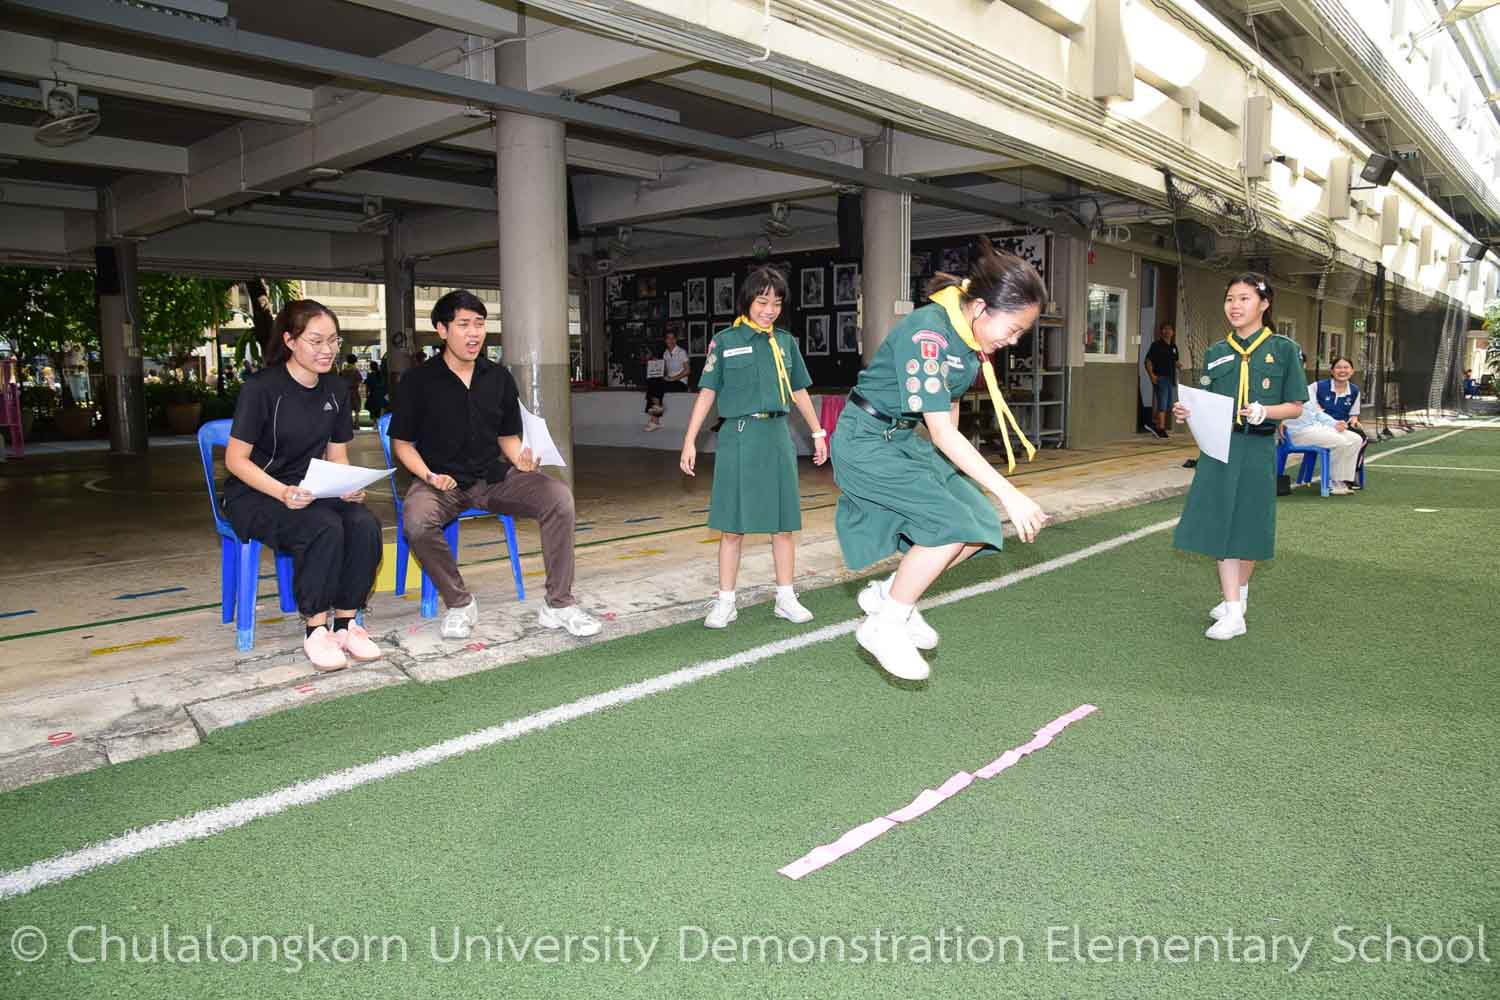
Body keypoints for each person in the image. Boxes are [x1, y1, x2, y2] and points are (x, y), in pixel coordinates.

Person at [831, 240, 1049, 681]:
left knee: (979, 522)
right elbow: (944, 431)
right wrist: (1010, 494)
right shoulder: (928, 335)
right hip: (866, 440)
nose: (1013, 341)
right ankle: (886, 624)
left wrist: (950, 478)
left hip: (903, 439)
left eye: (1021, 334)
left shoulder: (967, 338)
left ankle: (891, 595)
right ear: (981, 307)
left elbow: (947, 414)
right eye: (1013, 329)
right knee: (951, 523)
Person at [389, 289, 601, 641]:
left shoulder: (498, 377)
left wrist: (521, 458)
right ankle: (460, 603)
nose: (474, 333)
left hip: (492, 477)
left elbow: (507, 436)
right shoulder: (418, 381)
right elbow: (402, 444)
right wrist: (428, 475)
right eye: (463, 324)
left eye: (479, 324)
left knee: (558, 497)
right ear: (442, 330)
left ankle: (559, 604)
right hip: (440, 480)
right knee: (416, 521)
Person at [221, 300, 383, 672]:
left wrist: (347, 486)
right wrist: (281, 492)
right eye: (316, 341)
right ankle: (316, 628)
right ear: (290, 341)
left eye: (333, 340)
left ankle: (346, 624)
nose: (327, 350)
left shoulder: (336, 389)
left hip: (309, 489)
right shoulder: (261, 389)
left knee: (363, 523)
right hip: (256, 493)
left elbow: (337, 455)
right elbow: (235, 460)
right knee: (322, 526)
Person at [679, 266, 828, 629]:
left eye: (776, 303)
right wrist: (690, 440)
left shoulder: (786, 343)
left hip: (777, 436)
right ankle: (726, 602)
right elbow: (707, 393)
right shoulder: (725, 341)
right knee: (732, 526)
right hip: (739, 437)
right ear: (747, 301)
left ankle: (786, 597)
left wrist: (818, 433)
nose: (769, 310)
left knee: (783, 524)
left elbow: (799, 391)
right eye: (762, 301)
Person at [1172, 273, 1305, 641]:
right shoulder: (1216, 352)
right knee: (1223, 524)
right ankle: (1233, 612)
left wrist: (1267, 412)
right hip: (1219, 447)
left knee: (1249, 526)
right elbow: (1208, 401)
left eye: (1244, 298)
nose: (1235, 305)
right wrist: (1187, 411)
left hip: (1258, 448)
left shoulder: (1283, 350)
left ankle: (1238, 597)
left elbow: (1296, 406)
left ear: (1264, 304)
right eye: (1230, 298)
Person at [1302, 356, 1366, 490]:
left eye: (1346, 367)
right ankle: (1333, 479)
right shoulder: (1317, 386)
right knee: (1341, 441)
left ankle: (1350, 475)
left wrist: (1354, 421)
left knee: (1360, 438)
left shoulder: (1354, 390)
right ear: (1332, 371)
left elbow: (1354, 414)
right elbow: (1309, 405)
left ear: (1352, 371)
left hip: (1342, 426)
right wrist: (1316, 408)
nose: (1342, 371)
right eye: (1338, 367)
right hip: (1319, 426)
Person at [644, 331, 690, 432]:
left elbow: (687, 371)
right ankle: (656, 415)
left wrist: (673, 378)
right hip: (669, 381)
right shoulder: (665, 353)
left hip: (680, 383)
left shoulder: (681, 352)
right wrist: (653, 363)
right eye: (668, 338)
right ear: (665, 340)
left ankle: (655, 420)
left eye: (673, 338)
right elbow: (664, 371)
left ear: (676, 340)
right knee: (653, 382)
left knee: (656, 387)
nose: (671, 340)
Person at [1143, 322, 1181, 439]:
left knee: (1169, 404)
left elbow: (1174, 360)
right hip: (1160, 378)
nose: (1167, 331)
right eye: (1165, 329)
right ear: (1161, 332)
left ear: (1173, 332)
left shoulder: (1174, 347)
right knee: (1162, 404)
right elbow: (1148, 361)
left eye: (1170, 329)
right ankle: (1161, 429)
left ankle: (1153, 423)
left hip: (1171, 379)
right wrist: (1152, 375)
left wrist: (1178, 365)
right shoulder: (1156, 345)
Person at [365, 357, 388, 426]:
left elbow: (367, 386)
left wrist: (367, 394)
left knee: (373, 410)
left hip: (373, 395)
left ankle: (375, 423)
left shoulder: (370, 375)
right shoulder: (381, 375)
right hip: (381, 395)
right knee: (380, 409)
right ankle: (379, 423)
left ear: (371, 367)